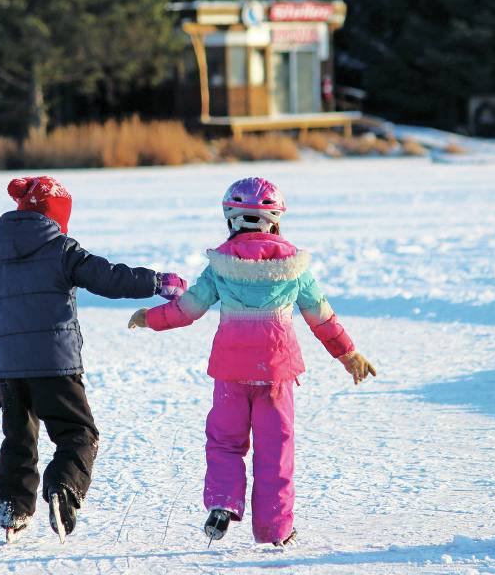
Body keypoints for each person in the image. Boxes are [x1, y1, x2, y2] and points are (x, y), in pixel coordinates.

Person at [0, 176, 186, 542]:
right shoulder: (61, 248)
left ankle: (11, 508)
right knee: (78, 434)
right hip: (55, 364)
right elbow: (108, 277)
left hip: (10, 367)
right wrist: (156, 282)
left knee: (19, 437)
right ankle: (63, 488)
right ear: (56, 217)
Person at [128, 177, 376, 547]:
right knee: (275, 450)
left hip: (231, 372)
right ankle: (275, 530)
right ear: (275, 220)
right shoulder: (294, 268)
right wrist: (348, 353)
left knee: (225, 441)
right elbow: (321, 317)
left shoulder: (220, 266)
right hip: (277, 371)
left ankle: (223, 502)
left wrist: (151, 318)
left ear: (231, 219)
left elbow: (188, 308)